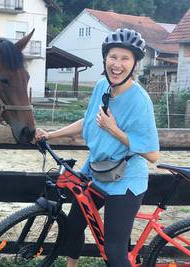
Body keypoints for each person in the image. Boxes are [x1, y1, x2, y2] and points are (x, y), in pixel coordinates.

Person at [35, 28, 160, 267]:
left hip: (125, 180)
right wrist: (51, 134)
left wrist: (114, 130)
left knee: (113, 251)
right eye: (113, 56)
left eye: (125, 58)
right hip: (95, 170)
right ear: (105, 58)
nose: (117, 64)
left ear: (134, 64)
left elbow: (153, 154)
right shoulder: (102, 85)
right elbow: (89, 119)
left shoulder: (140, 101)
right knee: (73, 227)